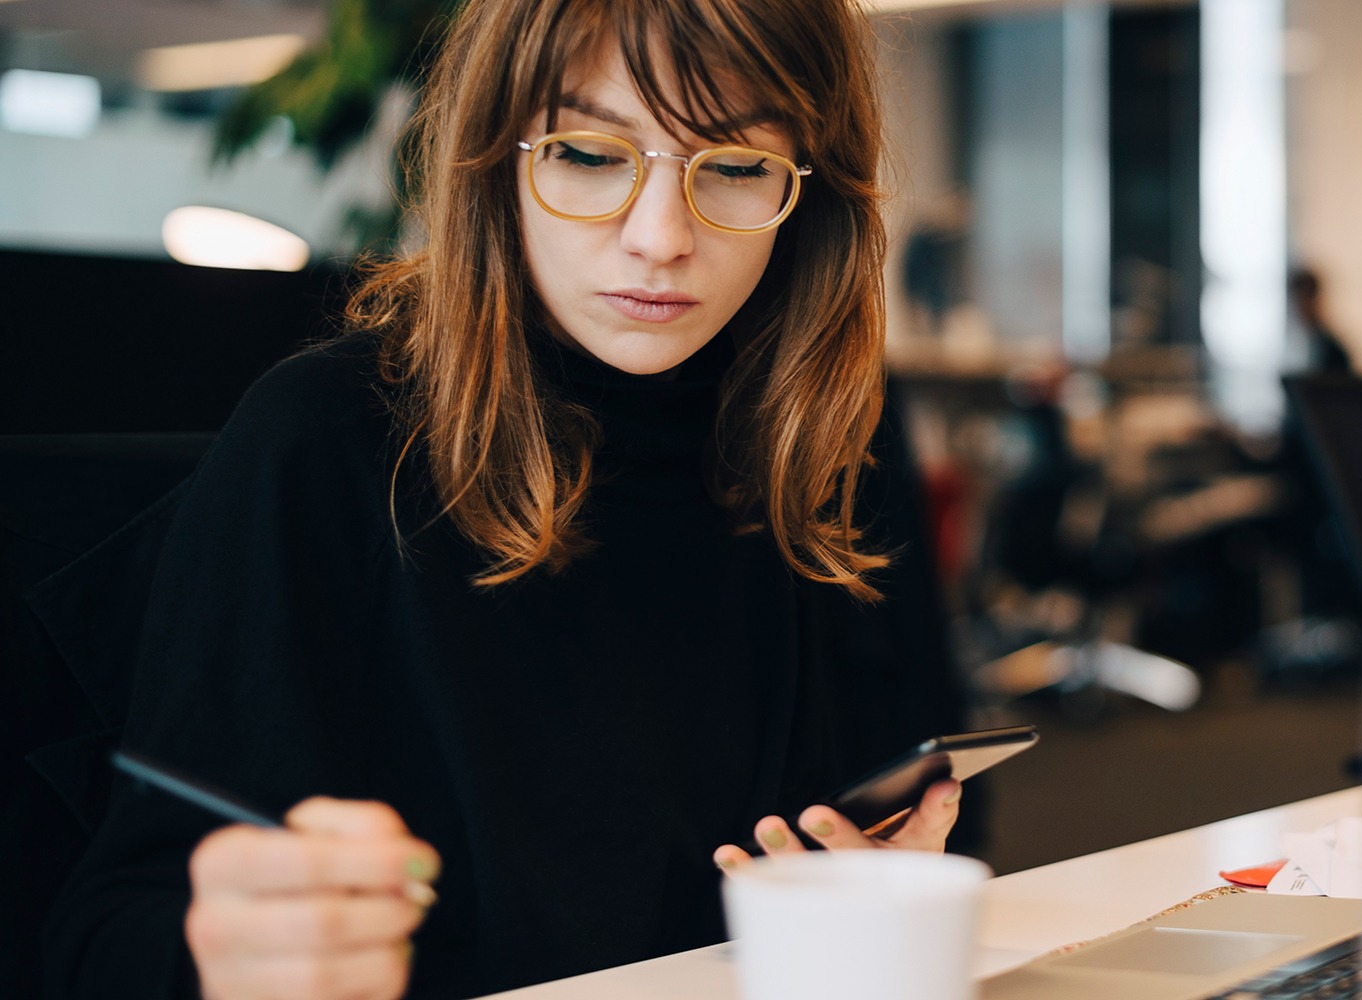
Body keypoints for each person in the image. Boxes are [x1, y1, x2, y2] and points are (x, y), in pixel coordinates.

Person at [39, 1, 961, 997]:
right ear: (496, 161)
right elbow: (99, 940)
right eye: (588, 154)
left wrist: (852, 905)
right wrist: (220, 959)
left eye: (736, 168)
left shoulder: (816, 448)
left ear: (807, 192)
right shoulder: (330, 440)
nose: (660, 237)